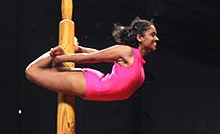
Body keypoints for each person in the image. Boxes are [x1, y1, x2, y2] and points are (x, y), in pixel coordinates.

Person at [24, 18, 158, 101]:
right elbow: (93, 58)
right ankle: (53, 53)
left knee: (50, 70)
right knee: (32, 71)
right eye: (153, 35)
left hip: (94, 88)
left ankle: (57, 56)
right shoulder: (127, 51)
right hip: (91, 85)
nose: (156, 39)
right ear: (140, 37)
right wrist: (60, 57)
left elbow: (98, 53)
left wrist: (79, 48)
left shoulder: (136, 59)